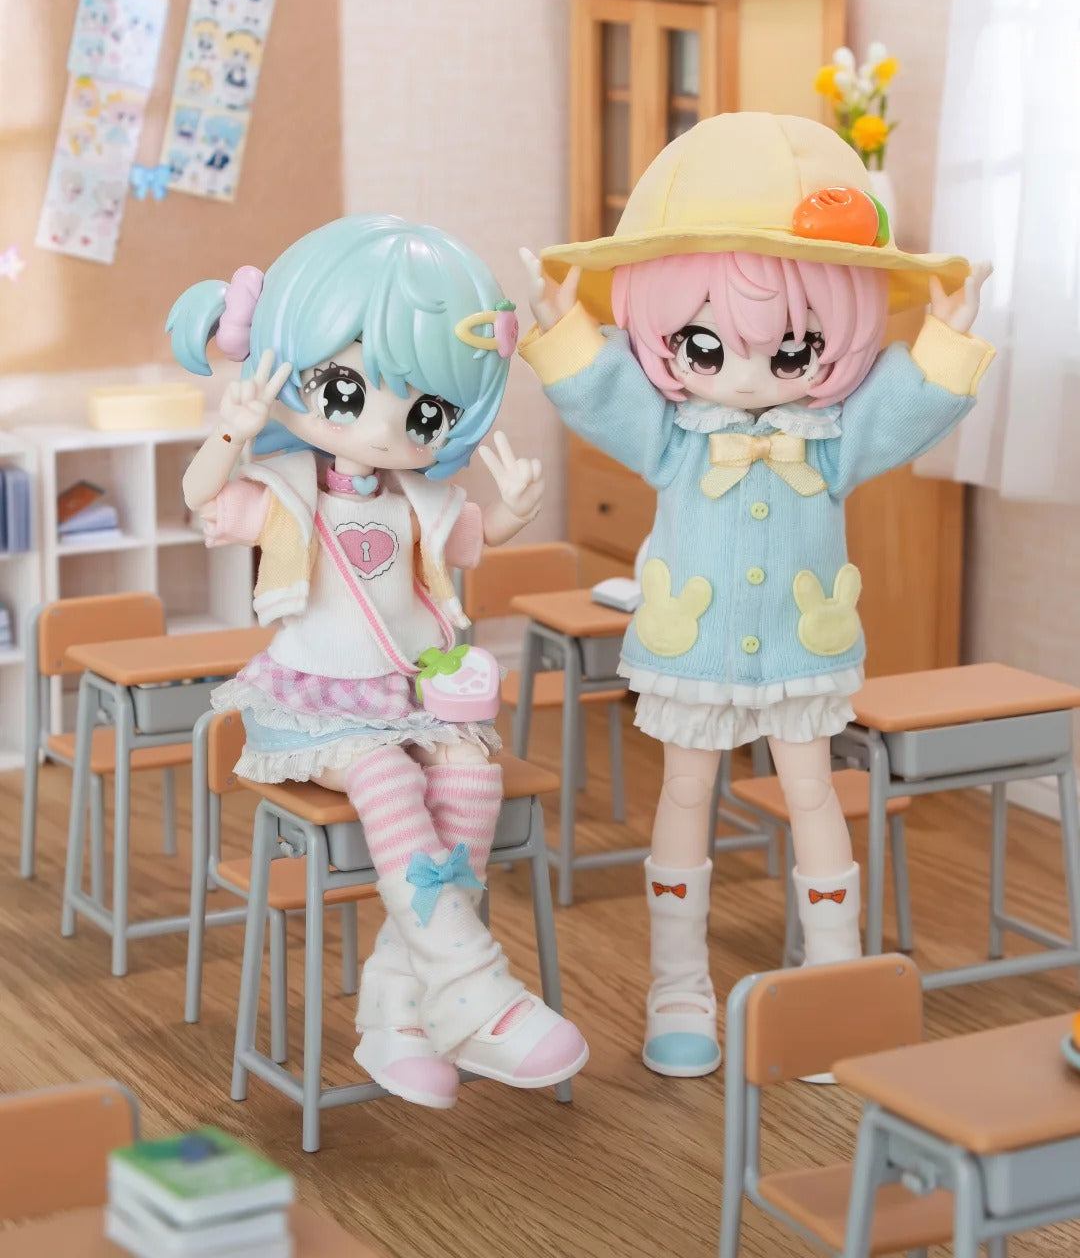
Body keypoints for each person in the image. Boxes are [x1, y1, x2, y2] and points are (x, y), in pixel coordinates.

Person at [520, 111, 994, 1078]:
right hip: (691, 649)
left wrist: (947, 338)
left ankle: (832, 983)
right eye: (705, 346)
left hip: (801, 650)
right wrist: (563, 330)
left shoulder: (837, 436)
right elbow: (603, 394)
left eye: (789, 351)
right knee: (685, 790)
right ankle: (677, 987)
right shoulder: (674, 437)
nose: (746, 375)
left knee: (813, 793)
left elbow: (909, 405)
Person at [168, 215, 588, 1110]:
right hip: (315, 703)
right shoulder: (285, 493)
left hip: (407, 694)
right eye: (349, 390)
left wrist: (512, 512)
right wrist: (231, 433)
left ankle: (400, 1014)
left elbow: (473, 539)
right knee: (388, 779)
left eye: (425, 413)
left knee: (471, 775)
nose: (388, 429)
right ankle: (476, 992)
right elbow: (201, 496)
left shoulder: (420, 499)